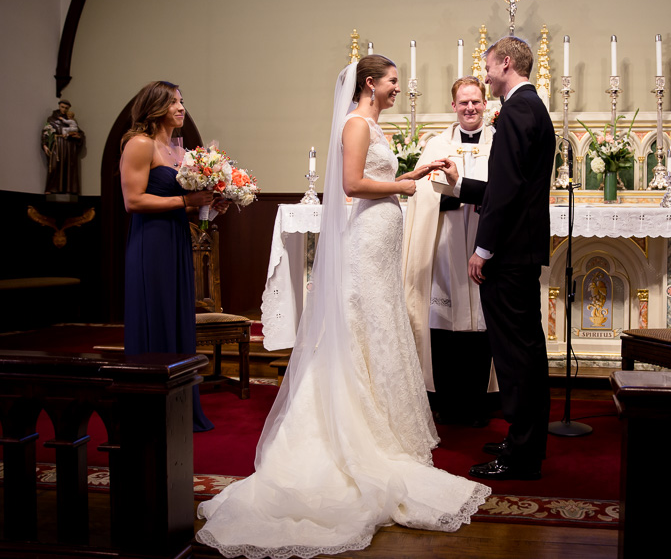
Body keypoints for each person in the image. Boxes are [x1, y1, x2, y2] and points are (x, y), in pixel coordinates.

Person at [196, 55, 490, 558]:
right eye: (393, 81)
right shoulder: (356, 123)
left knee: (380, 327)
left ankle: (380, 421)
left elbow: (377, 174)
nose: (399, 88)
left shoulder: (372, 122)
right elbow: (353, 185)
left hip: (382, 239)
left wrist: (415, 171)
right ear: (371, 84)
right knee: (361, 326)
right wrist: (403, 186)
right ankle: (349, 429)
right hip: (368, 237)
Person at [442, 36, 556, 481]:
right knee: (524, 350)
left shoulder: (514, 111)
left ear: (505, 63)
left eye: (488, 66)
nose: (485, 74)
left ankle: (523, 454)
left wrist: (482, 248)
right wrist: (461, 187)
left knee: (516, 356)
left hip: (508, 254)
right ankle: (523, 440)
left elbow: (508, 192)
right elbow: (513, 186)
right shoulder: (532, 108)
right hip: (521, 249)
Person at [120, 81, 229, 432]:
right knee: (156, 312)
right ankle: (149, 409)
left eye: (182, 101)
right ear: (154, 108)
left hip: (177, 240)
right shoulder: (140, 144)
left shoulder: (180, 152)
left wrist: (213, 206)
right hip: (150, 242)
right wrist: (186, 202)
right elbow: (133, 201)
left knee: (177, 315)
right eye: (173, 103)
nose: (181, 108)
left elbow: (192, 209)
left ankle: (179, 408)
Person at [402, 76, 496, 428]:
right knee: (442, 321)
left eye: (475, 102)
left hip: (486, 247)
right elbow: (423, 196)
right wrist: (458, 194)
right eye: (463, 102)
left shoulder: (499, 143)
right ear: (454, 106)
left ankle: (478, 403)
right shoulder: (437, 145)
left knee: (483, 322)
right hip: (445, 243)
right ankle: (446, 401)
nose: (469, 108)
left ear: (485, 104)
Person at [42, 99, 85, 195]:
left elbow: (80, 133)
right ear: (59, 106)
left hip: (69, 146)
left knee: (68, 168)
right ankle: (51, 188)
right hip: (57, 145)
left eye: (66, 108)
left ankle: (69, 190)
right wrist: (45, 144)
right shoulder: (51, 119)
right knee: (54, 167)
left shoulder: (71, 120)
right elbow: (46, 132)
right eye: (62, 107)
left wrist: (78, 136)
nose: (64, 109)